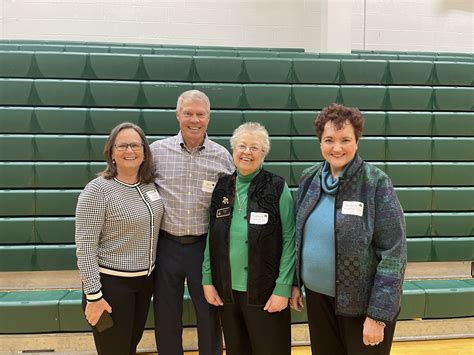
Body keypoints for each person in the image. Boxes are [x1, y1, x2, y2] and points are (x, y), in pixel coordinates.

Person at [290, 103, 407, 355]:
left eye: (345, 139)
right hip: (318, 299)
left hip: (362, 305)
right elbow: (298, 236)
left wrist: (378, 316)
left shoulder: (376, 183)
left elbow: (394, 254)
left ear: (357, 142)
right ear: (320, 142)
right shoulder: (309, 178)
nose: (337, 147)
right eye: (329, 140)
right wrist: (295, 282)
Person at [150, 90, 234, 355]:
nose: (194, 119)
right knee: (166, 316)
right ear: (178, 115)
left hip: (204, 247)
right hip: (166, 245)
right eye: (188, 113)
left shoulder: (222, 156)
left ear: (208, 117)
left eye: (200, 114)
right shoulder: (156, 152)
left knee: (210, 314)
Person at [202, 122, 296, 355]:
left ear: (263, 153)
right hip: (228, 293)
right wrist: (207, 280)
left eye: (255, 147)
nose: (247, 152)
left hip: (266, 292)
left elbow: (290, 238)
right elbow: (210, 237)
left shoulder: (276, 187)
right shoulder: (222, 187)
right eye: (242, 146)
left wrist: (283, 288)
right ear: (233, 150)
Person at [75, 122, 164, 355]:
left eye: (135, 145)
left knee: (130, 347)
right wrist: (94, 297)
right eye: (122, 145)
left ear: (144, 151)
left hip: (143, 284)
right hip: (111, 287)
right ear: (111, 152)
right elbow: (85, 248)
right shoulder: (97, 190)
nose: (129, 151)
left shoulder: (148, 186)